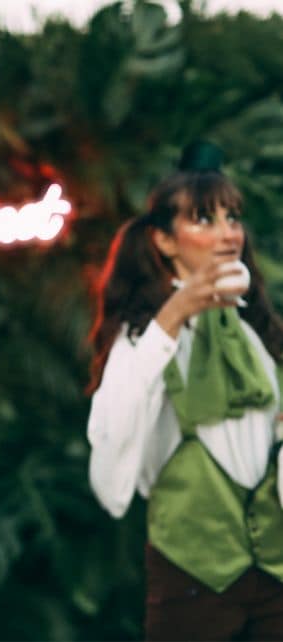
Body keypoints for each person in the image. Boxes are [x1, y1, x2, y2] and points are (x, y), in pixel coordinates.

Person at [86, 141, 283, 640]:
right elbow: (113, 424)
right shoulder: (143, 338)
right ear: (165, 242)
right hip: (193, 576)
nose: (227, 234)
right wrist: (176, 314)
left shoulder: (255, 330)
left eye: (232, 217)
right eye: (203, 219)